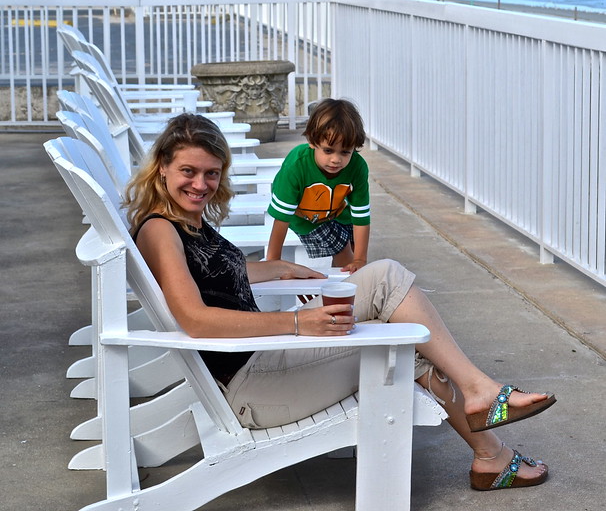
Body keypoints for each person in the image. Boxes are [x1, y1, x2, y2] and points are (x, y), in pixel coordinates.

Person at [124, 113, 556, 491]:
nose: (201, 184)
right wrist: (299, 324)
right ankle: (489, 437)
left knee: (384, 277)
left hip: (262, 364)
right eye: (188, 171)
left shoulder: (184, 219)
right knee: (405, 343)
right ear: (162, 167)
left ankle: (485, 416)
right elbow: (195, 319)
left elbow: (212, 280)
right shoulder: (161, 230)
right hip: (252, 387)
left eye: (212, 173)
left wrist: (273, 269)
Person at [265, 98, 370, 273]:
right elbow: (282, 218)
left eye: (345, 152)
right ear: (312, 142)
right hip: (305, 217)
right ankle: (349, 288)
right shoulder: (296, 165)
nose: (336, 159)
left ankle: (339, 283)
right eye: (328, 150)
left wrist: (361, 259)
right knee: (342, 248)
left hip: (337, 211)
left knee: (353, 246)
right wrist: (273, 262)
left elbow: (361, 216)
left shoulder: (358, 167)